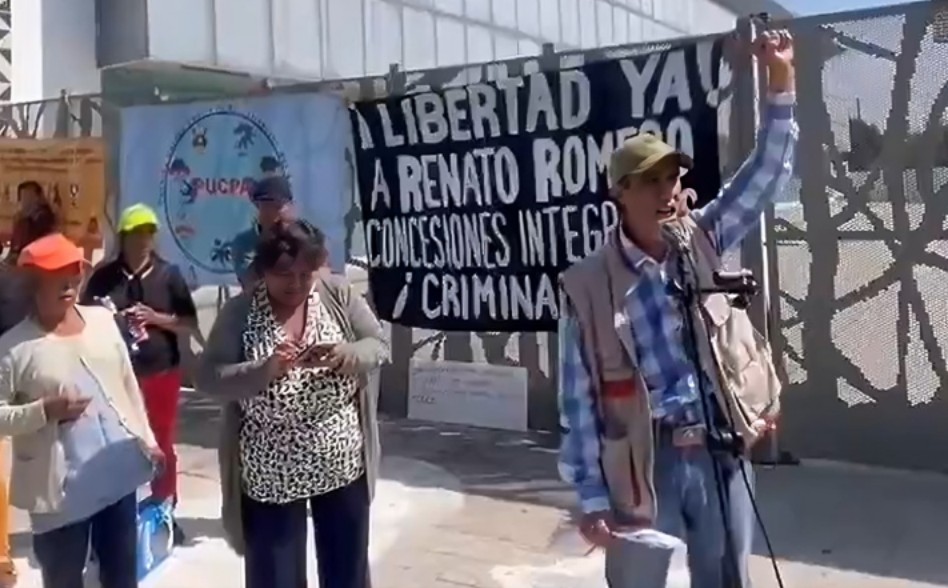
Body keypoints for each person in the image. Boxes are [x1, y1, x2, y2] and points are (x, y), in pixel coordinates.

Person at [557, 30, 797, 588]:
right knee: (642, 580)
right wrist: (592, 499)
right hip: (647, 461)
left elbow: (766, 173)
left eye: (673, 178)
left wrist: (781, 81)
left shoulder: (704, 237)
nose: (669, 192)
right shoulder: (588, 286)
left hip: (718, 446)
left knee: (725, 576)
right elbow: (580, 403)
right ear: (620, 192)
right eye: (651, 182)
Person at [196, 219, 387, 588]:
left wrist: (346, 354)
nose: (296, 284)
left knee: (346, 572)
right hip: (271, 473)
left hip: (339, 462)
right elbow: (207, 377)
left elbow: (378, 346)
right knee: (275, 576)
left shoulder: (337, 295)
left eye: (305, 273)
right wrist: (263, 369)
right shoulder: (241, 312)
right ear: (263, 270)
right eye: (284, 274)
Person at [0, 233, 163, 588]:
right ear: (32, 285)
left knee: (121, 578)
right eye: (55, 276)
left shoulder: (102, 322)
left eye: (74, 273)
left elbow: (126, 384)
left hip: (115, 476)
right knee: (63, 579)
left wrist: (147, 438)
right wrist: (43, 411)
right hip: (59, 495)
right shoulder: (14, 348)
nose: (68, 283)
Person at [81, 203, 198, 545]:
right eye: (136, 233)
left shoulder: (168, 274)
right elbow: (84, 319)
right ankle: (116, 518)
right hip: (117, 374)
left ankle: (165, 509)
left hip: (161, 370)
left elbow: (188, 323)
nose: (143, 240)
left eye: (149, 232)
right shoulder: (105, 276)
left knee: (161, 442)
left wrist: (155, 318)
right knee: (116, 445)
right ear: (124, 237)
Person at [0, 198, 61, 587]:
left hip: (13, 379)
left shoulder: (11, 275)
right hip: (44, 378)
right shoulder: (55, 278)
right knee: (48, 470)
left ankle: (4, 560)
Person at [231, 176, 296, 290]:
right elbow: (249, 280)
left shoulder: (303, 239)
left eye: (280, 204)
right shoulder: (243, 243)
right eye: (268, 204)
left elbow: (317, 276)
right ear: (258, 206)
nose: (276, 211)